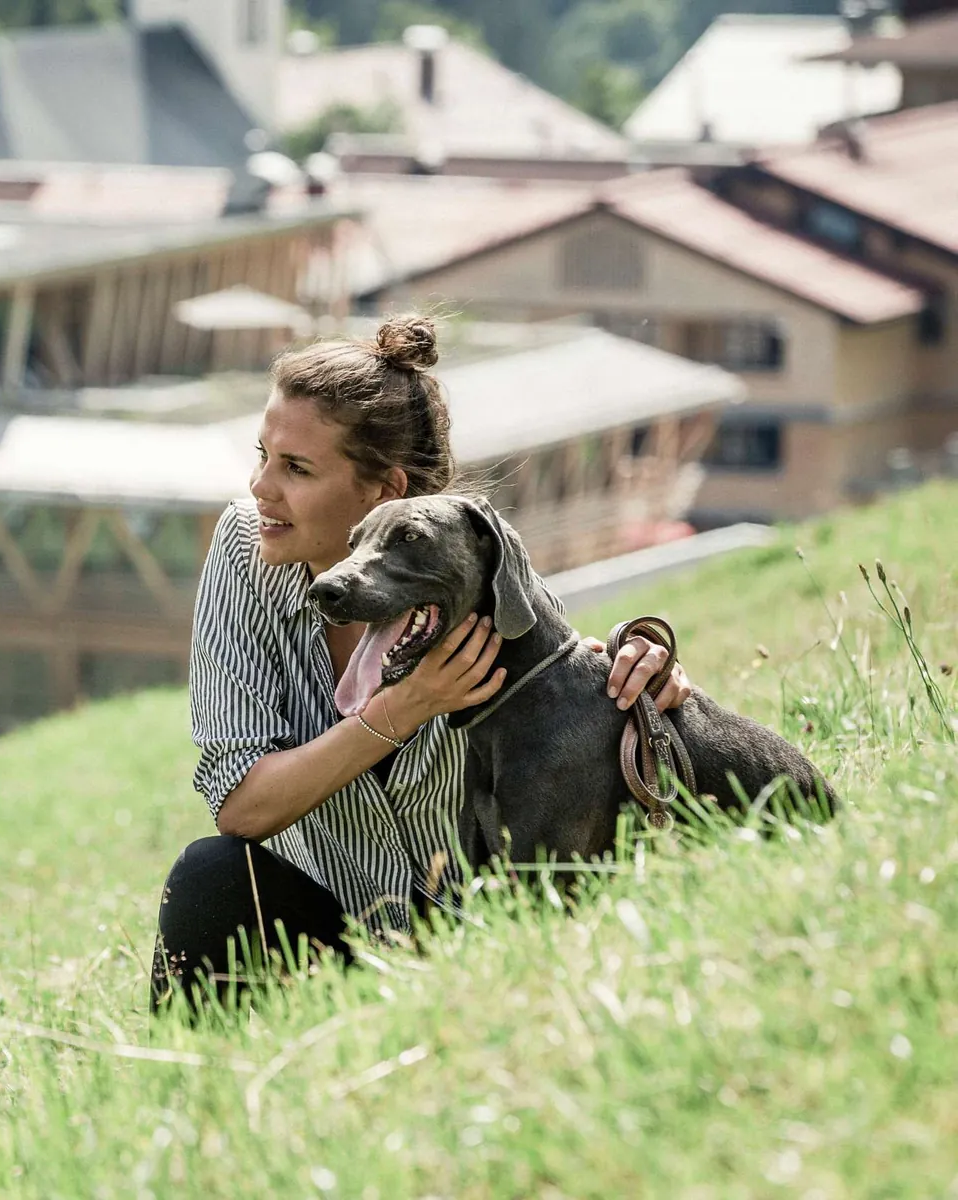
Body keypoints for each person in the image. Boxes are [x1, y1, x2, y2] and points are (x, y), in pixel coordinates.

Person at [152, 314, 691, 1008]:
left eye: (296, 468)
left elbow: (578, 690)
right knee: (211, 876)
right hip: (337, 920)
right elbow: (241, 805)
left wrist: (649, 681)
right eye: (263, 455)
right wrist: (400, 710)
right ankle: (203, 1094)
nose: (261, 487)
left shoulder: (479, 575)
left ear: (384, 491)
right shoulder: (246, 547)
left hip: (479, 936)